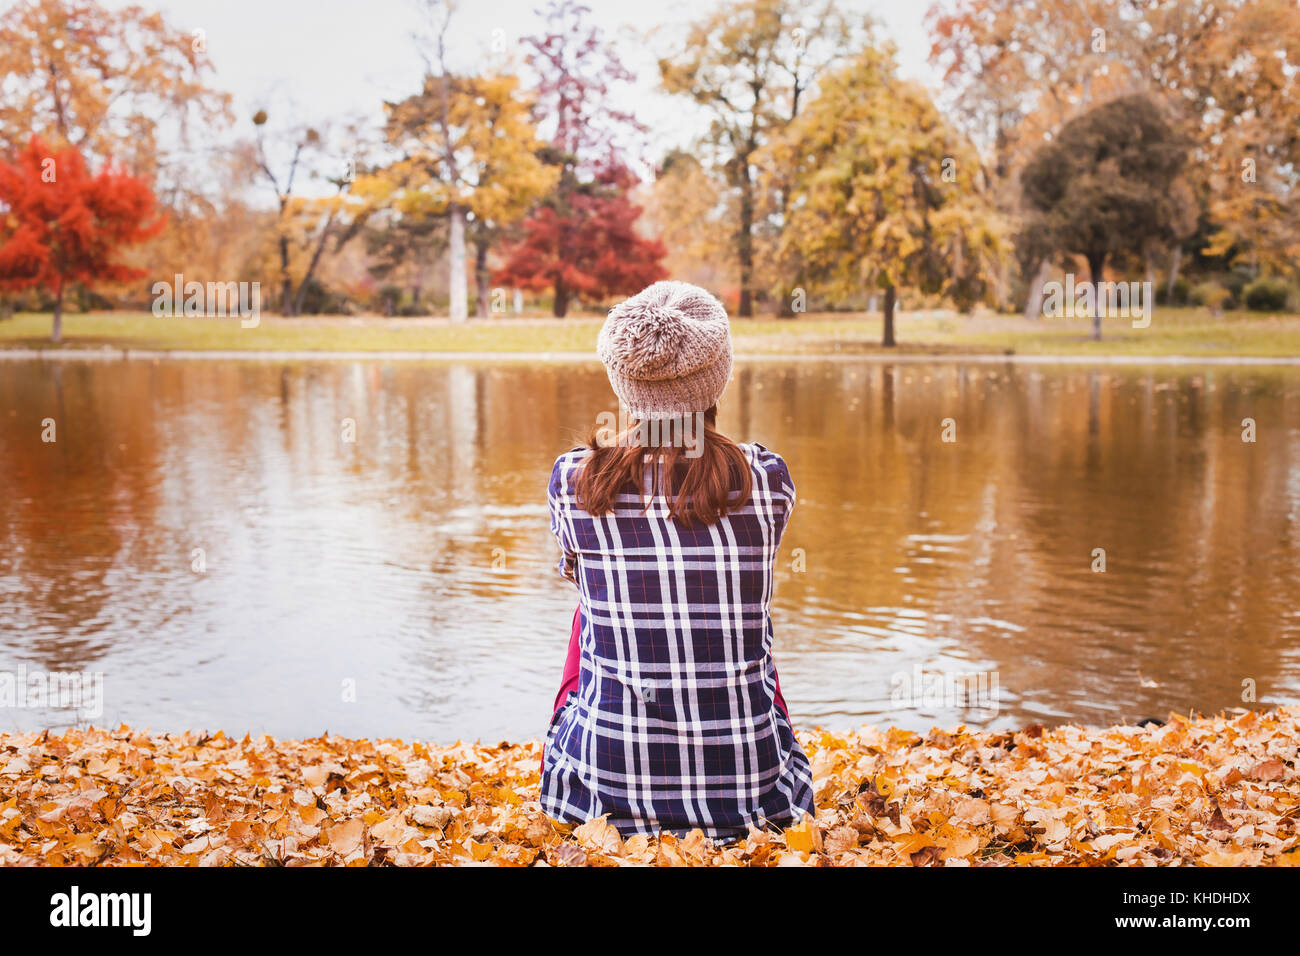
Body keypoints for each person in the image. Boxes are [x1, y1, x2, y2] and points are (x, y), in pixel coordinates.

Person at [540, 280, 815, 841]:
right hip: (753, 798)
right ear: (719, 380)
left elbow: (575, 574)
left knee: (589, 612)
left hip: (598, 795)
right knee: (738, 609)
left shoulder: (574, 481)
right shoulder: (767, 479)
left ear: (624, 382)